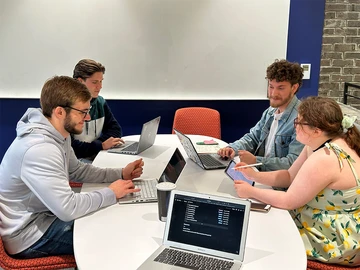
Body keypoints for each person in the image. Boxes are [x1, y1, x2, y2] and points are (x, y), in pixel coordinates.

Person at [0, 76, 143, 258]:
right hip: (28, 234)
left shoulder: (59, 133)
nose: (88, 117)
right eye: (83, 112)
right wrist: (111, 193)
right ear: (60, 112)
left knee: (110, 219)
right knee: (112, 238)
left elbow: (77, 170)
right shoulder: (39, 149)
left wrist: (121, 173)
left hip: (47, 214)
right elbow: (67, 209)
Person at [233, 96, 360, 266]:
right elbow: (289, 177)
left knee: (259, 236)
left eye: (299, 123)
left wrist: (251, 191)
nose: (295, 126)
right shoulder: (319, 143)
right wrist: (253, 175)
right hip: (320, 219)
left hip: (335, 238)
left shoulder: (325, 158)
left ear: (317, 130)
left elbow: (288, 201)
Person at [218, 59, 304, 172]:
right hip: (260, 174)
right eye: (271, 86)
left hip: (278, 184)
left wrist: (255, 160)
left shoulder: (302, 119)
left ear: (294, 88)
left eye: (281, 88)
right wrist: (232, 148)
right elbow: (253, 137)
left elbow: (292, 163)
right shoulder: (270, 111)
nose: (273, 94)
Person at [72, 59, 123, 160]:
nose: (100, 86)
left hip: (96, 155)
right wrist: (100, 145)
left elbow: (115, 130)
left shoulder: (100, 102)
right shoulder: (67, 107)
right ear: (80, 81)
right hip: (76, 161)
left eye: (101, 81)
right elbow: (71, 147)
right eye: (95, 82)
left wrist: (98, 145)